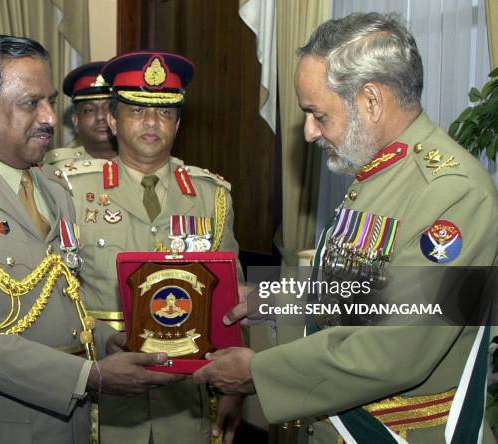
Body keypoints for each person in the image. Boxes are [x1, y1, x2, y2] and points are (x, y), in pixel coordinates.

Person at [193, 13, 498, 443]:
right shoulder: (381, 173)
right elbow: (379, 290)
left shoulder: (453, 193)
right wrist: (281, 297)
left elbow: (396, 350)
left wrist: (256, 373)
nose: (311, 133)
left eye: (318, 114)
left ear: (371, 101)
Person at [0, 35, 183, 444]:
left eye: (50, 101)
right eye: (31, 103)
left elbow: (58, 304)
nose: (48, 117)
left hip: (68, 424)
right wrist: (88, 376)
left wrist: (104, 340)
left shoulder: (53, 187)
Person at [62, 51, 243, 444]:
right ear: (112, 120)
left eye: (163, 113)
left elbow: (231, 306)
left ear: (177, 124)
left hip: (185, 401)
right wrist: (98, 345)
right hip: (100, 400)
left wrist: (233, 390)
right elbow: (55, 297)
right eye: (136, 111)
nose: (150, 123)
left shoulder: (211, 196)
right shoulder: (72, 191)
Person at [45, 61, 117, 168]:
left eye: (109, 107)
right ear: (76, 121)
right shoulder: (55, 169)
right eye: (89, 110)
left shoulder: (146, 164)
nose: (100, 117)